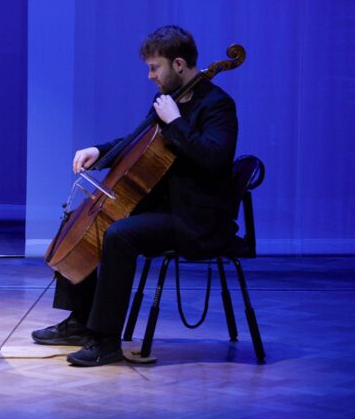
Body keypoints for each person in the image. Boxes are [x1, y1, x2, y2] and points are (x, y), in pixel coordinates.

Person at [32, 25, 239, 366]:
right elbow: (135, 143)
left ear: (178, 64)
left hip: (196, 218)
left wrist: (175, 123)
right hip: (162, 207)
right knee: (81, 219)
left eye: (154, 67)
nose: (150, 76)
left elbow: (215, 159)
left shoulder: (218, 106)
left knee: (120, 235)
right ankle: (80, 321)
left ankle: (106, 340)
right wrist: (99, 151)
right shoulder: (167, 102)